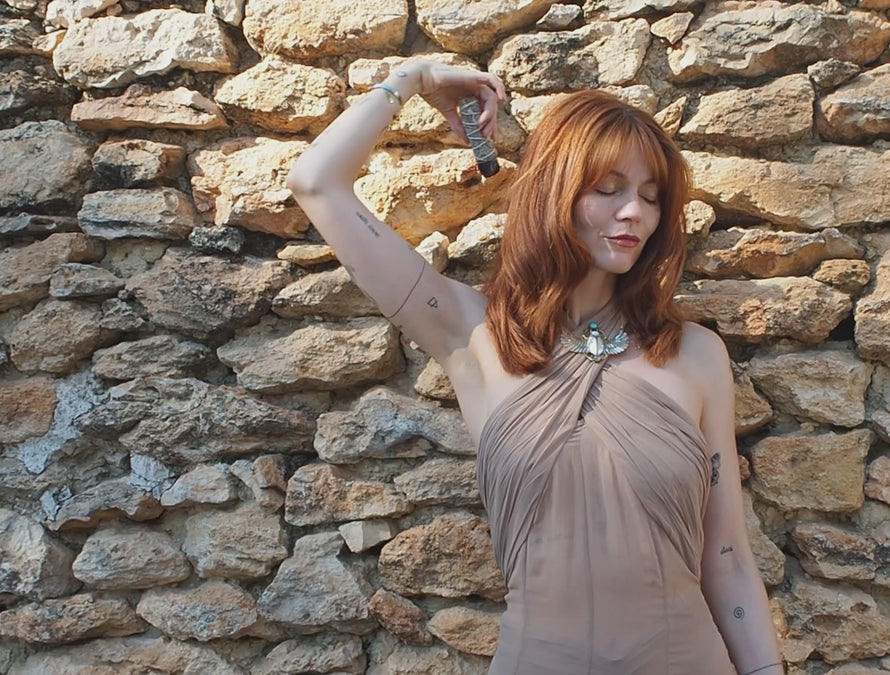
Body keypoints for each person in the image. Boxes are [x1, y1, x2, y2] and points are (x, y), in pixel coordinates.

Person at [286, 59, 784, 675]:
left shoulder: (695, 354)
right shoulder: (472, 333)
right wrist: (414, 79)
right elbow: (316, 182)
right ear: (555, 190)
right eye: (608, 189)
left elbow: (727, 557)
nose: (634, 211)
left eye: (651, 196)